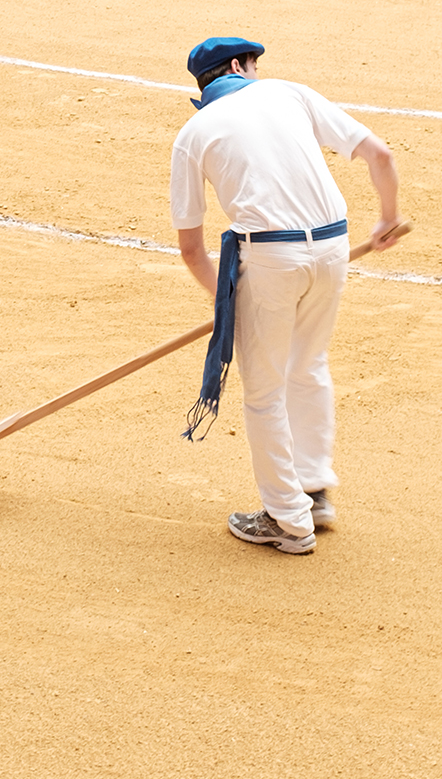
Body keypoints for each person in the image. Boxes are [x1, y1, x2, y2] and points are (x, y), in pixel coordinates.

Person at [170, 36, 401, 554]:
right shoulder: (290, 93)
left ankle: (289, 521)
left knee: (264, 393)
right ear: (238, 66)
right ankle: (314, 492)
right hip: (333, 247)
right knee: (308, 363)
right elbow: (379, 154)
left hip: (270, 260)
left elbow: (192, 250)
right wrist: (386, 217)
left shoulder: (193, 131)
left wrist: (231, 303)